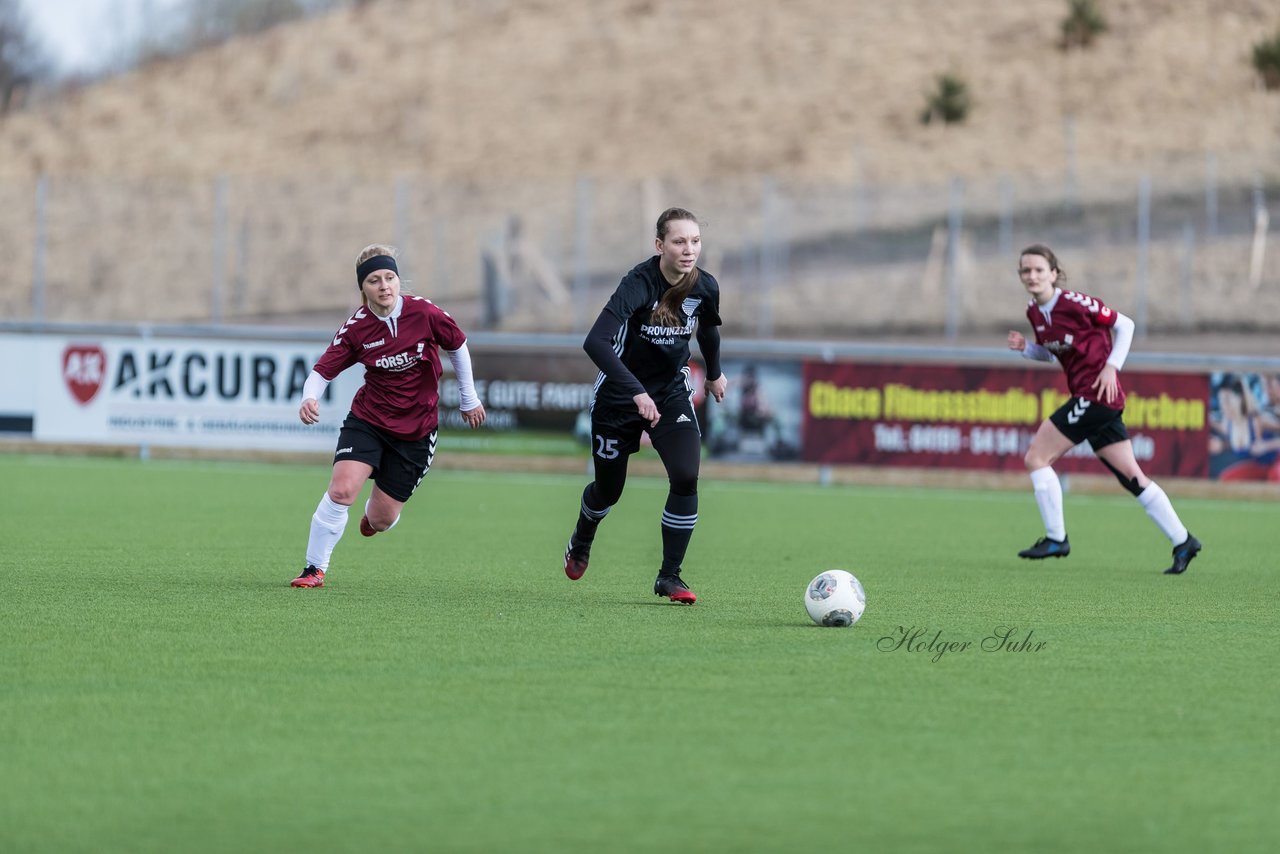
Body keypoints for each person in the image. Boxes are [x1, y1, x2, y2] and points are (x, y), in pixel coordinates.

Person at [290, 244, 486, 588]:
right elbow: (322, 371)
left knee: (381, 519)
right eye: (374, 280)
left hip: (417, 430)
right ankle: (314, 569)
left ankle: (373, 517)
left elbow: (457, 345)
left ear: (398, 280)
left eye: (390, 277)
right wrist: (310, 397)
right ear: (363, 289)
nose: (384, 285)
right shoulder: (356, 328)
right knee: (341, 491)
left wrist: (468, 398)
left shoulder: (424, 313)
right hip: (369, 421)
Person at [562, 207, 728, 604]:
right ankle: (583, 535)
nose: (689, 250)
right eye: (679, 241)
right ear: (660, 245)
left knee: (687, 475)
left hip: (671, 392)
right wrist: (636, 391)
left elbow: (708, 332)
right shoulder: (637, 284)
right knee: (608, 490)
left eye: (695, 241)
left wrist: (716, 372)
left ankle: (669, 577)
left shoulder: (704, 286)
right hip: (619, 397)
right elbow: (595, 342)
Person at [1005, 244, 1201, 575]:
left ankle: (1056, 538)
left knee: (1036, 458)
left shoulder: (1076, 303)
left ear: (1054, 274)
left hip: (1096, 395)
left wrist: (1112, 366)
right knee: (1132, 477)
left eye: (1039, 269)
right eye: (1026, 270)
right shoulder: (1034, 314)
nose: (1032, 276)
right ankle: (1184, 541)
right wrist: (1027, 349)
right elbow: (1054, 355)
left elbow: (1126, 325)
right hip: (1097, 401)